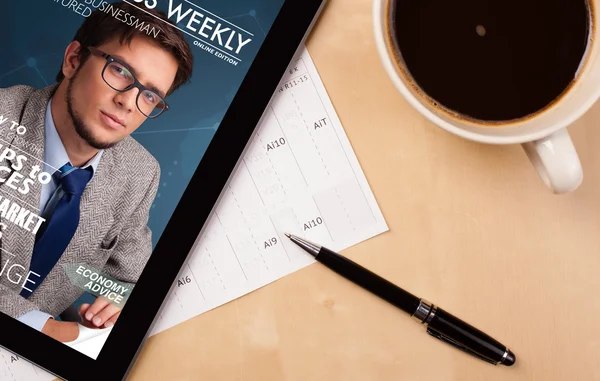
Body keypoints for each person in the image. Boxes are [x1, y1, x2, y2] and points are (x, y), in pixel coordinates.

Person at [0, 2, 193, 342]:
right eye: (120, 71)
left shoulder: (140, 173)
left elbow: (132, 279)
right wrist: (46, 329)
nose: (129, 102)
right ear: (73, 59)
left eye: (149, 95)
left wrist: (119, 302)